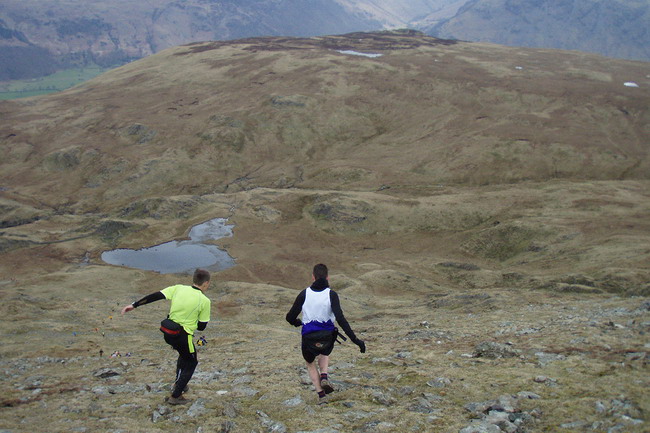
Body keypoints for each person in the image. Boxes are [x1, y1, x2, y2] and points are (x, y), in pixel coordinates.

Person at [121, 268, 212, 405]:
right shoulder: (204, 301)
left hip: (168, 333)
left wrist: (134, 305)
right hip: (183, 335)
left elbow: (156, 296)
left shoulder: (178, 289)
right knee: (192, 362)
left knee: (183, 355)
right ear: (206, 283)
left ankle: (180, 384)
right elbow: (201, 327)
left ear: (193, 279)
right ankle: (176, 396)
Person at [285, 263, 366, 404]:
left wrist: (297, 322)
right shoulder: (331, 295)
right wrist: (356, 340)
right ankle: (324, 376)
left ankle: (321, 395)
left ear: (313, 277)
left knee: (310, 363)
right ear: (327, 277)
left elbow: (289, 317)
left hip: (308, 337)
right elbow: (340, 319)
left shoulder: (304, 294)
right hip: (327, 337)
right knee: (324, 351)